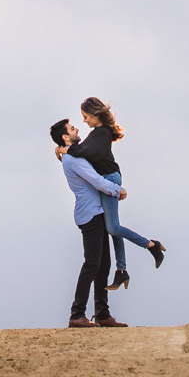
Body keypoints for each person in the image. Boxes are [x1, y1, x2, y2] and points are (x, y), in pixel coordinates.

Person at [67, 97, 166, 290]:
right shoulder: (98, 133)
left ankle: (152, 246)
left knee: (112, 228)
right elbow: (82, 150)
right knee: (111, 225)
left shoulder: (101, 133)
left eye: (86, 116)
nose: (84, 121)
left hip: (110, 179)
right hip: (109, 180)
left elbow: (85, 152)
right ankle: (122, 270)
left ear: (95, 114)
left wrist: (67, 149)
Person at [51, 117, 127, 328]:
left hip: (96, 212)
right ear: (66, 137)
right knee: (93, 263)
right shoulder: (74, 160)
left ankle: (102, 313)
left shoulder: (75, 155)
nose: (77, 129)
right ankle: (77, 314)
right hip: (90, 214)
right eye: (73, 128)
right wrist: (117, 190)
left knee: (103, 264)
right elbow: (96, 180)